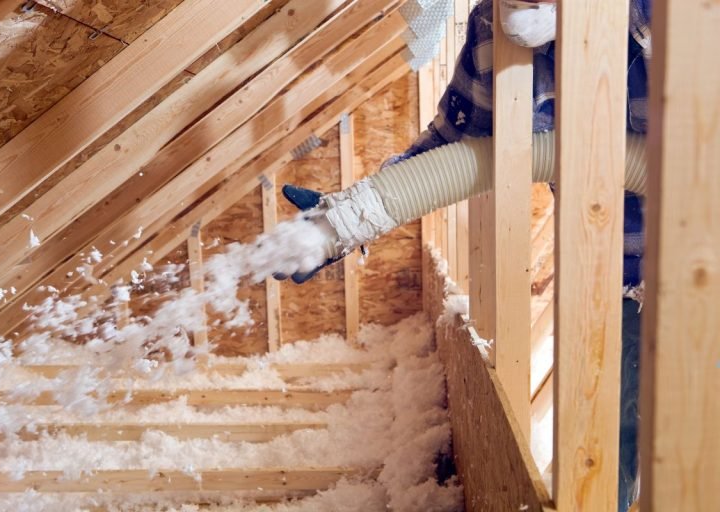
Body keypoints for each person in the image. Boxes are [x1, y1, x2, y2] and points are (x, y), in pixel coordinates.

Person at [277, 1, 650, 509]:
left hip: (703, 264)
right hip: (620, 277)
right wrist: (341, 222)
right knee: (612, 457)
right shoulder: (492, 26)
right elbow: (458, 147)